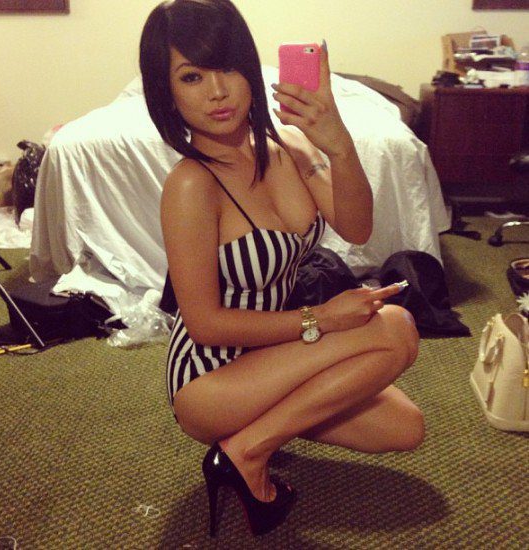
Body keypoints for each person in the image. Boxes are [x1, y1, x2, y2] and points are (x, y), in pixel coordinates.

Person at [140, 0, 423, 538]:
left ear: (250, 68)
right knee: (395, 330)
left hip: (276, 353)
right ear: (166, 92)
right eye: (192, 76)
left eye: (228, 67)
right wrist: (323, 320)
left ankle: (252, 438)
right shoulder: (191, 185)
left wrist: (339, 146)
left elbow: (357, 227)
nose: (217, 91)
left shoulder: (285, 145)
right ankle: (245, 452)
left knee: (405, 427)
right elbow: (205, 324)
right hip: (211, 374)